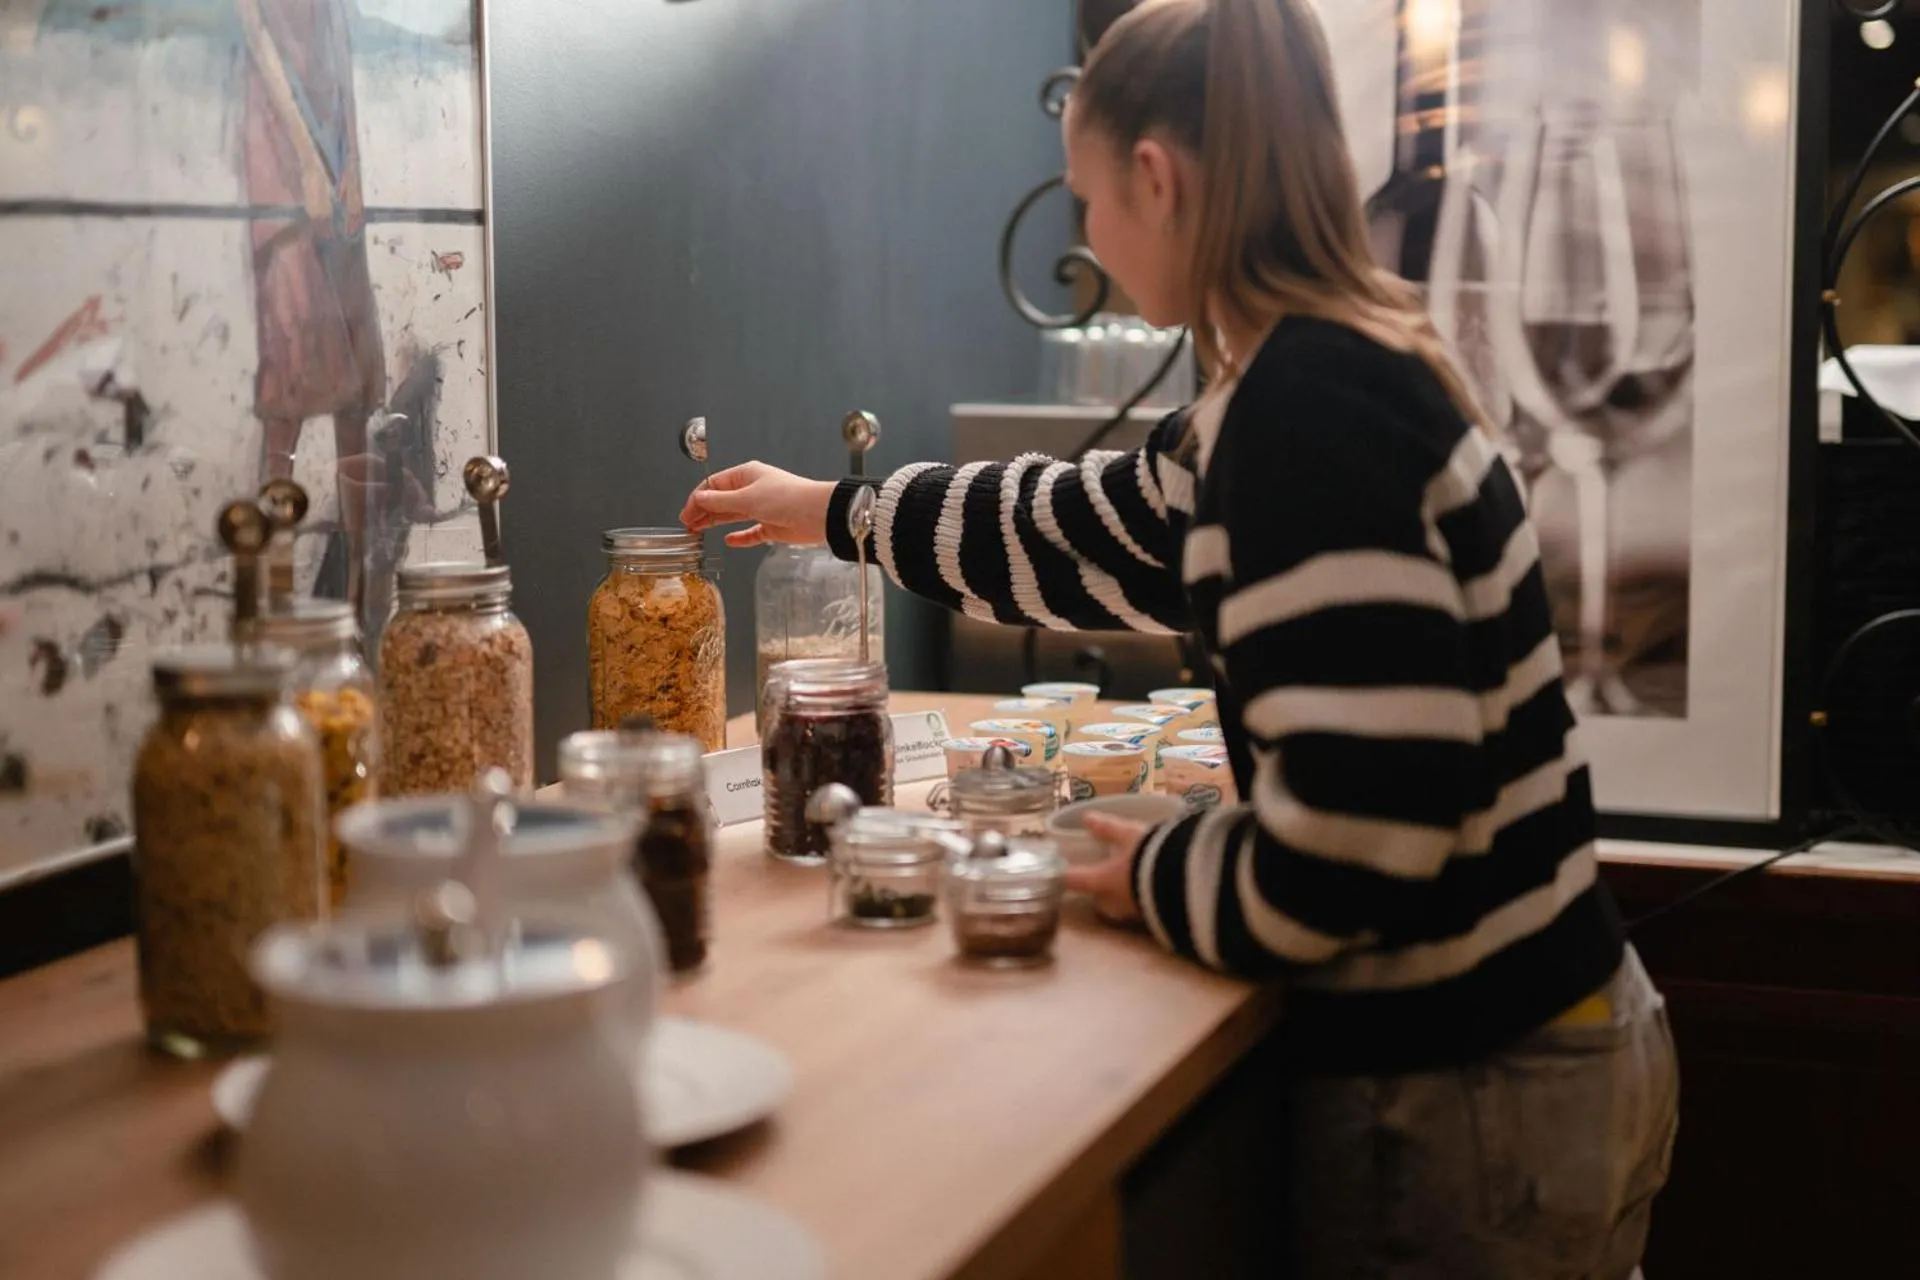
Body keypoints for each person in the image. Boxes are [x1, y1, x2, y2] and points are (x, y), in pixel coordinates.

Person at [682, 0, 1678, 1274]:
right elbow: (1094, 533)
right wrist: (831, 510)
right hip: (1538, 1048)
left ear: (1157, 180)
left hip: (1470, 1088)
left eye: (1087, 199)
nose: (1088, 235)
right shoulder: (1309, 376)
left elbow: (1349, 861)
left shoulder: (1305, 420)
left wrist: (1151, 871)